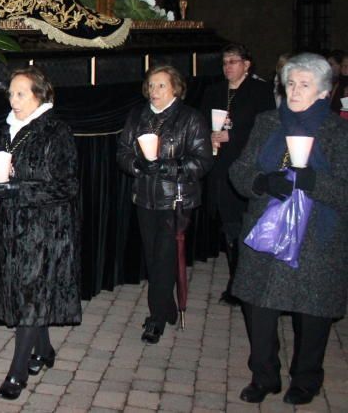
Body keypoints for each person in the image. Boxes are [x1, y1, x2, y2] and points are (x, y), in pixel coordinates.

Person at [230, 53, 348, 406]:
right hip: (266, 233)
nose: (295, 91)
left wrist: (314, 182)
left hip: (317, 239)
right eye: (291, 84)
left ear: (323, 93)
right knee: (260, 312)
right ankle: (264, 376)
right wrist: (262, 183)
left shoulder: (338, 131)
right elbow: (239, 171)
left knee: (312, 317)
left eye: (304, 85)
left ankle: (306, 379)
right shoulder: (268, 123)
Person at [0, 67, 81, 400]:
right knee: (29, 292)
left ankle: (16, 374)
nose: (13, 100)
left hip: (47, 228)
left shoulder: (56, 131)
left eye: (21, 94)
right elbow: (0, 173)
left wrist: (20, 191)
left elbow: (68, 185)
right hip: (14, 227)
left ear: (39, 95)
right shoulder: (9, 129)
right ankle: (43, 351)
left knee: (30, 297)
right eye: (11, 94)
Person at [117, 65, 212, 344]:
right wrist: (138, 165)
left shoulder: (190, 118)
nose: (154, 91)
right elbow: (122, 151)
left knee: (165, 257)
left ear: (175, 88)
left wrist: (166, 167)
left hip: (176, 200)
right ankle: (167, 307)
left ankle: (156, 318)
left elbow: (203, 161)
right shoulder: (138, 115)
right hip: (145, 197)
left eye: (161, 85)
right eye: (151, 85)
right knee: (152, 256)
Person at [199, 43, 275, 305]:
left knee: (244, 225)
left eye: (233, 61)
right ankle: (235, 280)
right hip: (220, 167)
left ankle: (246, 282)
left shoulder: (260, 91)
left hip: (245, 165)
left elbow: (265, 129)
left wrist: (233, 135)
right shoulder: (214, 92)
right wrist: (209, 136)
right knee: (227, 226)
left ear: (247, 64)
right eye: (224, 62)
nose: (228, 66)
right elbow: (201, 122)